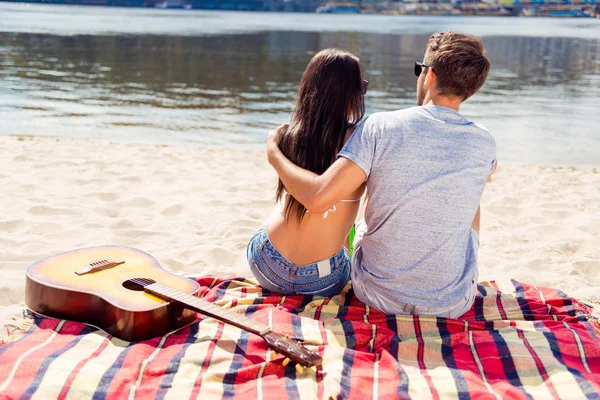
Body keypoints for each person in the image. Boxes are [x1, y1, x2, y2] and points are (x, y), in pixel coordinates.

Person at [266, 31, 496, 318]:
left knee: (370, 197)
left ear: (430, 75)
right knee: (470, 200)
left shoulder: (380, 126)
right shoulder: (485, 141)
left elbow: (319, 197)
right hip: (451, 303)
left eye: (419, 70)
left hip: (377, 295)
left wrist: (274, 152)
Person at [246, 48, 368, 297]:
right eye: (361, 86)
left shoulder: (288, 135)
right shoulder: (361, 141)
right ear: (351, 93)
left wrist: (273, 150)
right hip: (321, 280)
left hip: (266, 264)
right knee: (348, 231)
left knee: (283, 205)